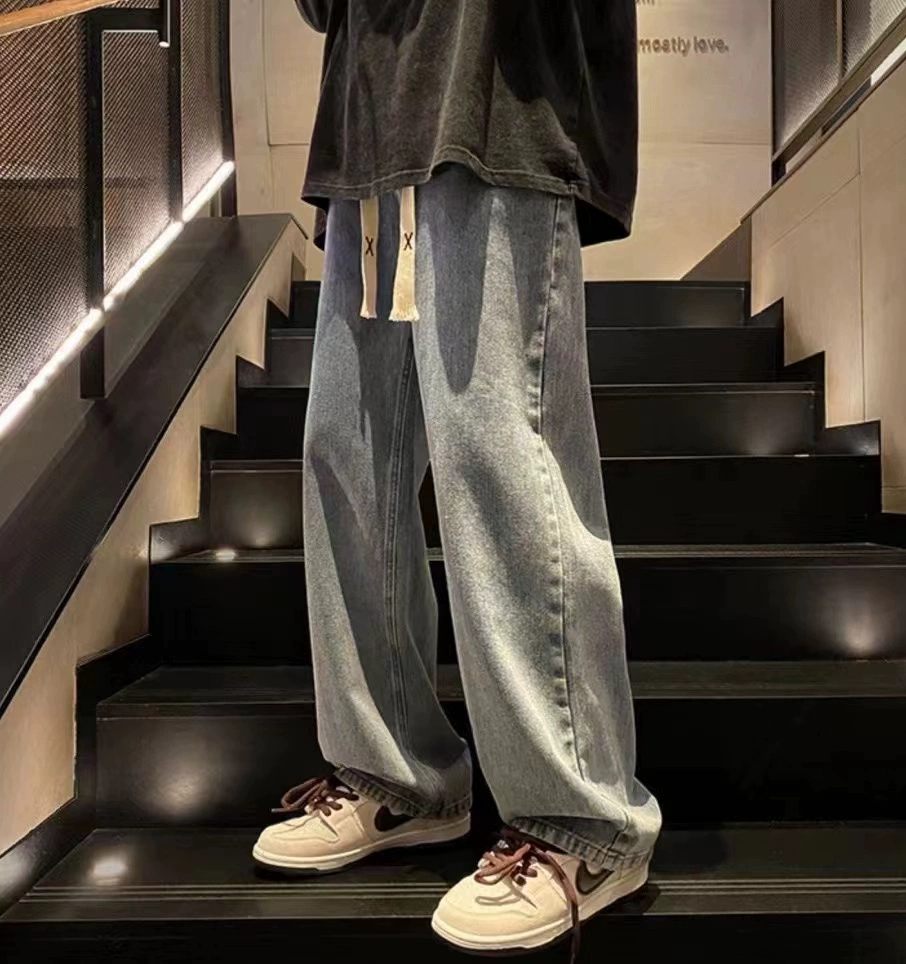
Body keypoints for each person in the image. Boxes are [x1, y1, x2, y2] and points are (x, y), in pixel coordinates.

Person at [253, 0, 661, 953]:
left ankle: (583, 821)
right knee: (348, 462)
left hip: (496, 104)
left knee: (499, 455)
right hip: (368, 128)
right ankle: (398, 775)